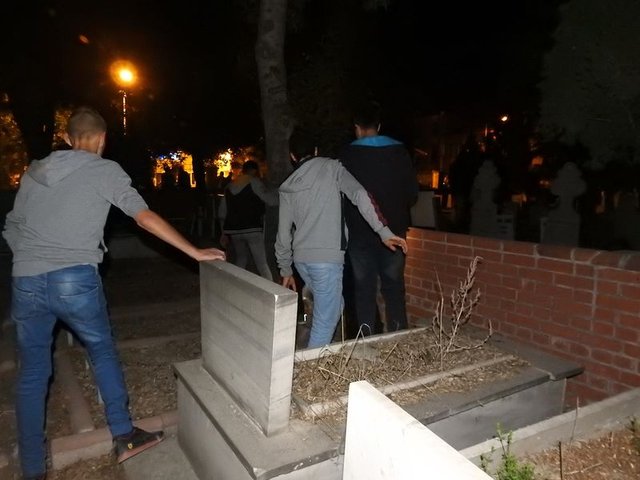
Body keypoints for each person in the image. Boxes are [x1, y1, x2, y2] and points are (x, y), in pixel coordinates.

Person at [2, 107, 226, 480]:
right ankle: (123, 434)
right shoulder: (104, 170)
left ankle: (32, 468)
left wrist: (30, 259)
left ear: (68, 139)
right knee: (102, 350)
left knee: (33, 373)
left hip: (26, 279)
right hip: (74, 278)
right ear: (103, 139)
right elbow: (143, 217)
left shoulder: (34, 172)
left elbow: (12, 225)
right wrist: (194, 251)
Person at [275, 130, 407, 349]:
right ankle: (310, 365)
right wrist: (383, 231)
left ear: (292, 156)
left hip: (302, 261)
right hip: (326, 260)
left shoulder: (288, 185)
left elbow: (283, 234)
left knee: (334, 307)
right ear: (315, 150)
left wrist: (286, 269)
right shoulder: (332, 168)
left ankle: (316, 350)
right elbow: (360, 195)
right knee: (326, 320)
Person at [339, 102, 418, 336]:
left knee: (364, 289)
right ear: (379, 126)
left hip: (359, 232)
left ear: (356, 127)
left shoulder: (347, 155)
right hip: (394, 231)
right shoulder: (400, 152)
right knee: (394, 288)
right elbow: (412, 193)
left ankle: (366, 340)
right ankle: (398, 338)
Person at [218, 160, 277, 280]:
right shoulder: (254, 182)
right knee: (262, 263)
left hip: (234, 230)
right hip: (252, 227)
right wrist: (278, 194)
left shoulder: (229, 186)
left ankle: (236, 283)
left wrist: (223, 232)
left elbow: (222, 213)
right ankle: (270, 287)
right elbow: (271, 200)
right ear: (254, 171)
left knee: (241, 259)